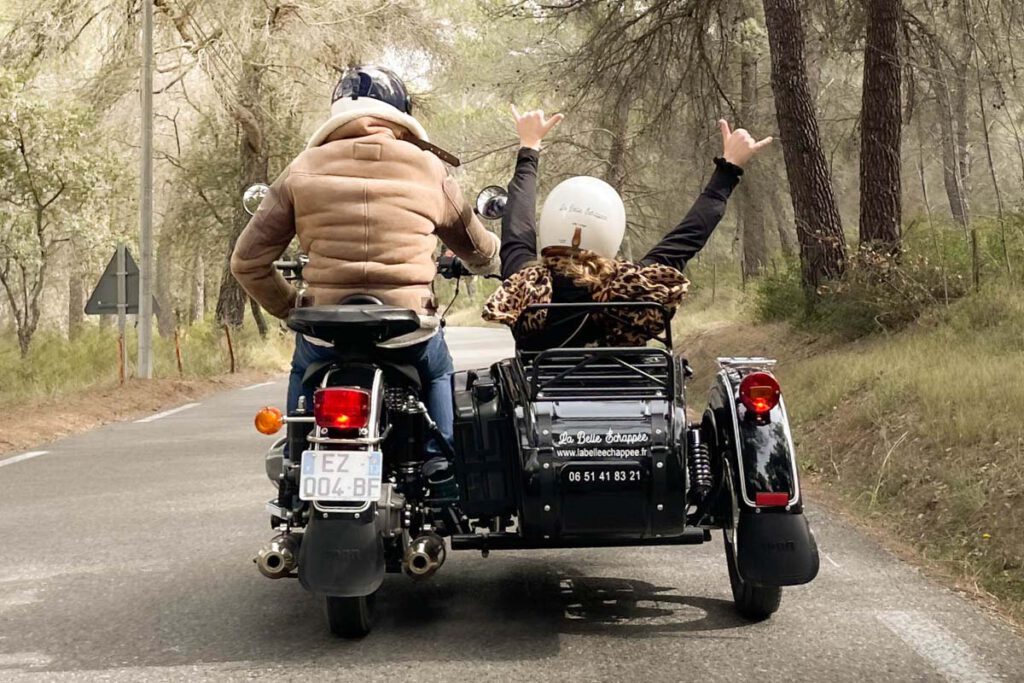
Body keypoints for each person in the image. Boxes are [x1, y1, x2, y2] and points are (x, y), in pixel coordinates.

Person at [231, 65, 500, 453]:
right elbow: (477, 247)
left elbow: (247, 262)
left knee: (302, 366)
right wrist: (489, 262)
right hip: (407, 330)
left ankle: (295, 461)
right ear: (400, 114)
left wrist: (292, 306)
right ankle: (442, 467)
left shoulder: (302, 168)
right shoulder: (429, 169)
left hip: (325, 329)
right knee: (439, 372)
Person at [483, 107, 772, 348]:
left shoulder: (525, 284)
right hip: (630, 404)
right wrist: (729, 167)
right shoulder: (634, 286)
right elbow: (689, 235)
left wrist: (529, 147)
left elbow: (517, 222)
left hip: (541, 402)